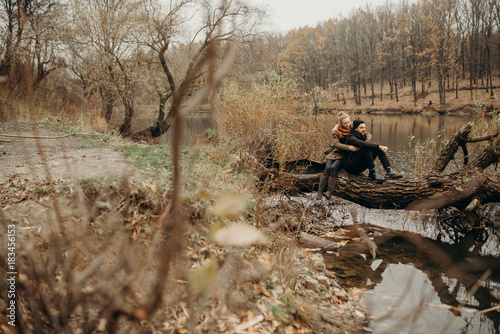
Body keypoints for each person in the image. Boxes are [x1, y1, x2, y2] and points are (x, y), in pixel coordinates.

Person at [317, 112, 360, 200]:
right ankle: (319, 193)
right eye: (345, 123)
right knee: (328, 167)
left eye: (348, 122)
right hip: (334, 152)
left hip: (344, 154)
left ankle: (329, 191)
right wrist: (349, 147)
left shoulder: (353, 127)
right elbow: (336, 144)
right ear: (341, 124)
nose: (347, 124)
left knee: (333, 168)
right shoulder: (335, 131)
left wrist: (363, 142)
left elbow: (366, 133)